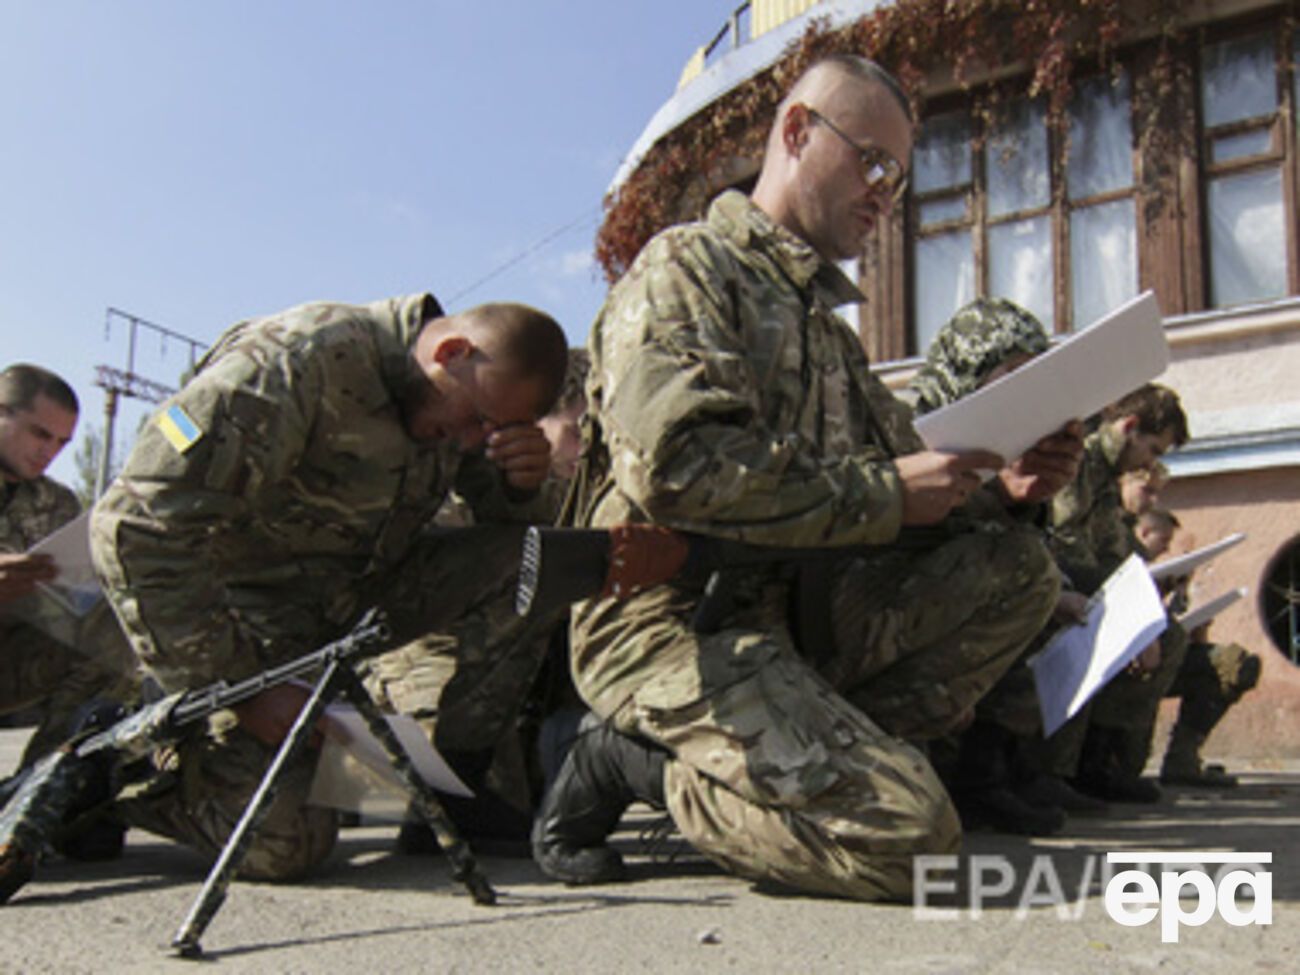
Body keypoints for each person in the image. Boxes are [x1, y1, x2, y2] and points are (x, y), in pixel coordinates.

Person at [533, 55, 1060, 901]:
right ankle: (631, 761)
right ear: (796, 132)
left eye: (897, 172)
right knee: (914, 844)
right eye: (871, 160)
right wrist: (888, 491)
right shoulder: (684, 272)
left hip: (794, 618)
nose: (885, 190)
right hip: (670, 625)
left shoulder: (829, 334)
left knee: (1019, 570)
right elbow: (681, 469)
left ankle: (829, 770)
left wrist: (1008, 492)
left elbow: (912, 473)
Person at [90, 294, 568, 880]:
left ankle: (452, 786)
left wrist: (521, 485)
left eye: (489, 430)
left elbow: (497, 519)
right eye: (475, 422)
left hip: (350, 607)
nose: (470, 441)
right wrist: (243, 689)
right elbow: (135, 525)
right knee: (284, 843)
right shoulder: (291, 364)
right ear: (451, 353)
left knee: (536, 558)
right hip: (242, 626)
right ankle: (119, 769)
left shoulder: (455, 401)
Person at [361, 348, 591, 854]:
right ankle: (360, 762)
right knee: (438, 799)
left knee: (510, 808)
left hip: (516, 684)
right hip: (430, 652)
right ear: (526, 427)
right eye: (574, 434)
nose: (582, 453)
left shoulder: (586, 493)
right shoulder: (472, 480)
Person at [907, 297, 1091, 835]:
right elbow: (917, 541)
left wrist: (1022, 501)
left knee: (1047, 587)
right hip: (890, 625)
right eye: (1008, 377)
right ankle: (956, 772)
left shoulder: (1015, 447)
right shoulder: (905, 432)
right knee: (1028, 579)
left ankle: (994, 770)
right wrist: (997, 501)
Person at [1029, 384, 1190, 803]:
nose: (1149, 462)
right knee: (1100, 625)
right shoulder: (1076, 458)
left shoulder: (1105, 475)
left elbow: (1113, 548)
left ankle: (1103, 761)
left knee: (1166, 634)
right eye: (1152, 449)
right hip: (1048, 578)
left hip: (1082, 578)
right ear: (1130, 427)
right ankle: (1054, 770)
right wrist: (1119, 598)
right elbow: (1062, 539)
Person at [0, 364, 134, 771]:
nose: (50, 451)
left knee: (119, 630)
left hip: (11, 657)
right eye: (40, 434)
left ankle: (38, 794)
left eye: (61, 442)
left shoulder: (59, 504)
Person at [1134, 507, 1261, 788]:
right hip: (1132, 668)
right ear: (1143, 533)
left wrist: (1196, 627)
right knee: (1129, 767)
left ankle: (1183, 759)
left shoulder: (1162, 579)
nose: (1166, 548)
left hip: (1166, 659)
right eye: (1163, 540)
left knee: (1232, 664)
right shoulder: (1122, 568)